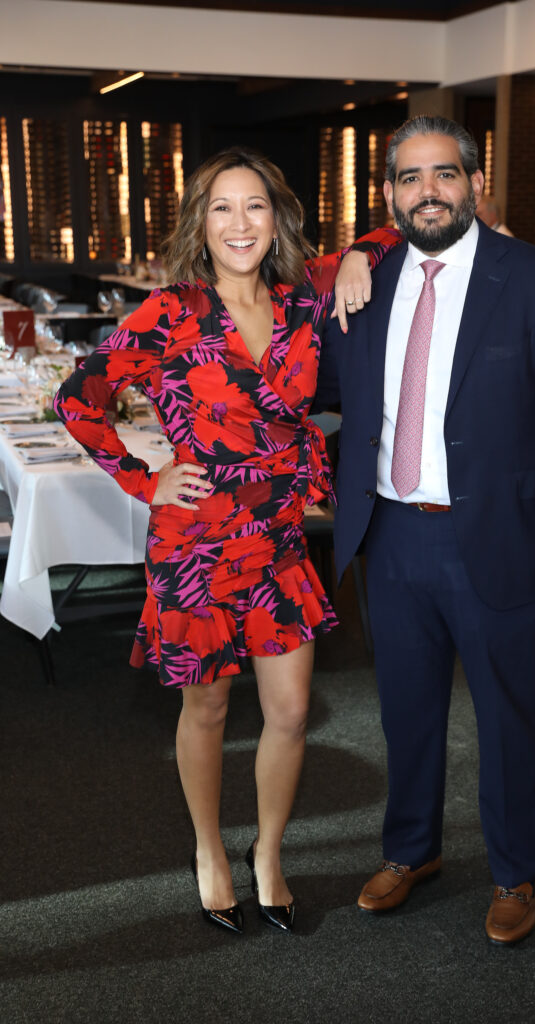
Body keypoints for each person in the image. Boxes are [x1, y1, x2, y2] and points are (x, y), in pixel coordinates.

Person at [54, 147, 398, 935]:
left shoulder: (303, 302)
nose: (239, 223)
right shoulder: (169, 312)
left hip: (277, 536)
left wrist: (350, 259)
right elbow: (82, 398)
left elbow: (391, 234)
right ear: (199, 224)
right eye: (221, 207)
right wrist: (145, 478)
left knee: (290, 709)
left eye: (254, 206)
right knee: (206, 707)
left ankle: (267, 853)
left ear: (275, 217)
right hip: (197, 542)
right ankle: (210, 850)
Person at [316, 115, 535, 945]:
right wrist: (347, 254)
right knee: (404, 713)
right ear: (387, 196)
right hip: (392, 539)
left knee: (507, 717)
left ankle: (517, 871)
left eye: (444, 174)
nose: (428, 192)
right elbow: (315, 380)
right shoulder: (362, 286)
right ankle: (410, 851)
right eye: (409, 179)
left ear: (475, 183)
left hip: (502, 540)